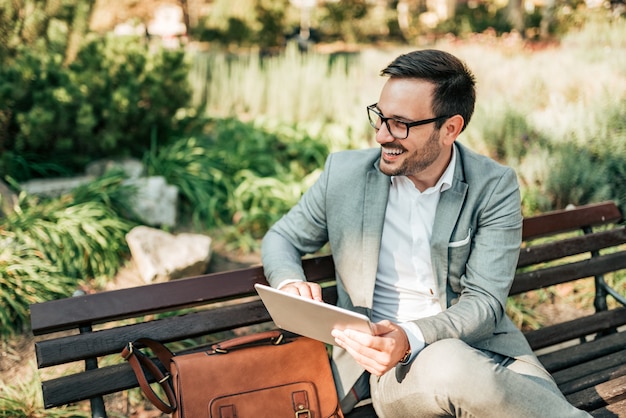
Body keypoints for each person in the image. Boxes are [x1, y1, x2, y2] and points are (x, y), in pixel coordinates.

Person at [261, 49, 591, 417]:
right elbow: (281, 238)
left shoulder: (493, 186)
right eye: (380, 117)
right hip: (390, 369)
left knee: (462, 367)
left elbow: (484, 302)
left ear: (450, 128)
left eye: (400, 123)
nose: (382, 135)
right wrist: (290, 281)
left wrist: (412, 335)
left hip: (486, 350)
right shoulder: (344, 175)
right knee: (448, 363)